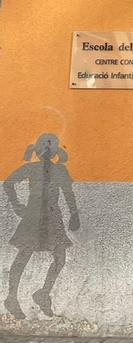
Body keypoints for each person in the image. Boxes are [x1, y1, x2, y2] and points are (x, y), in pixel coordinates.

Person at [3, 133, 80, 319]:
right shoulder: (31, 168)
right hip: (33, 215)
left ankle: (43, 293)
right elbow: (8, 183)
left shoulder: (60, 170)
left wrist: (74, 214)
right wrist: (16, 205)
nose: (47, 149)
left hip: (53, 217)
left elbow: (68, 193)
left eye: (51, 146)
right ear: (38, 149)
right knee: (23, 256)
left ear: (55, 150)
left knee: (60, 257)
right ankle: (11, 297)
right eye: (44, 146)